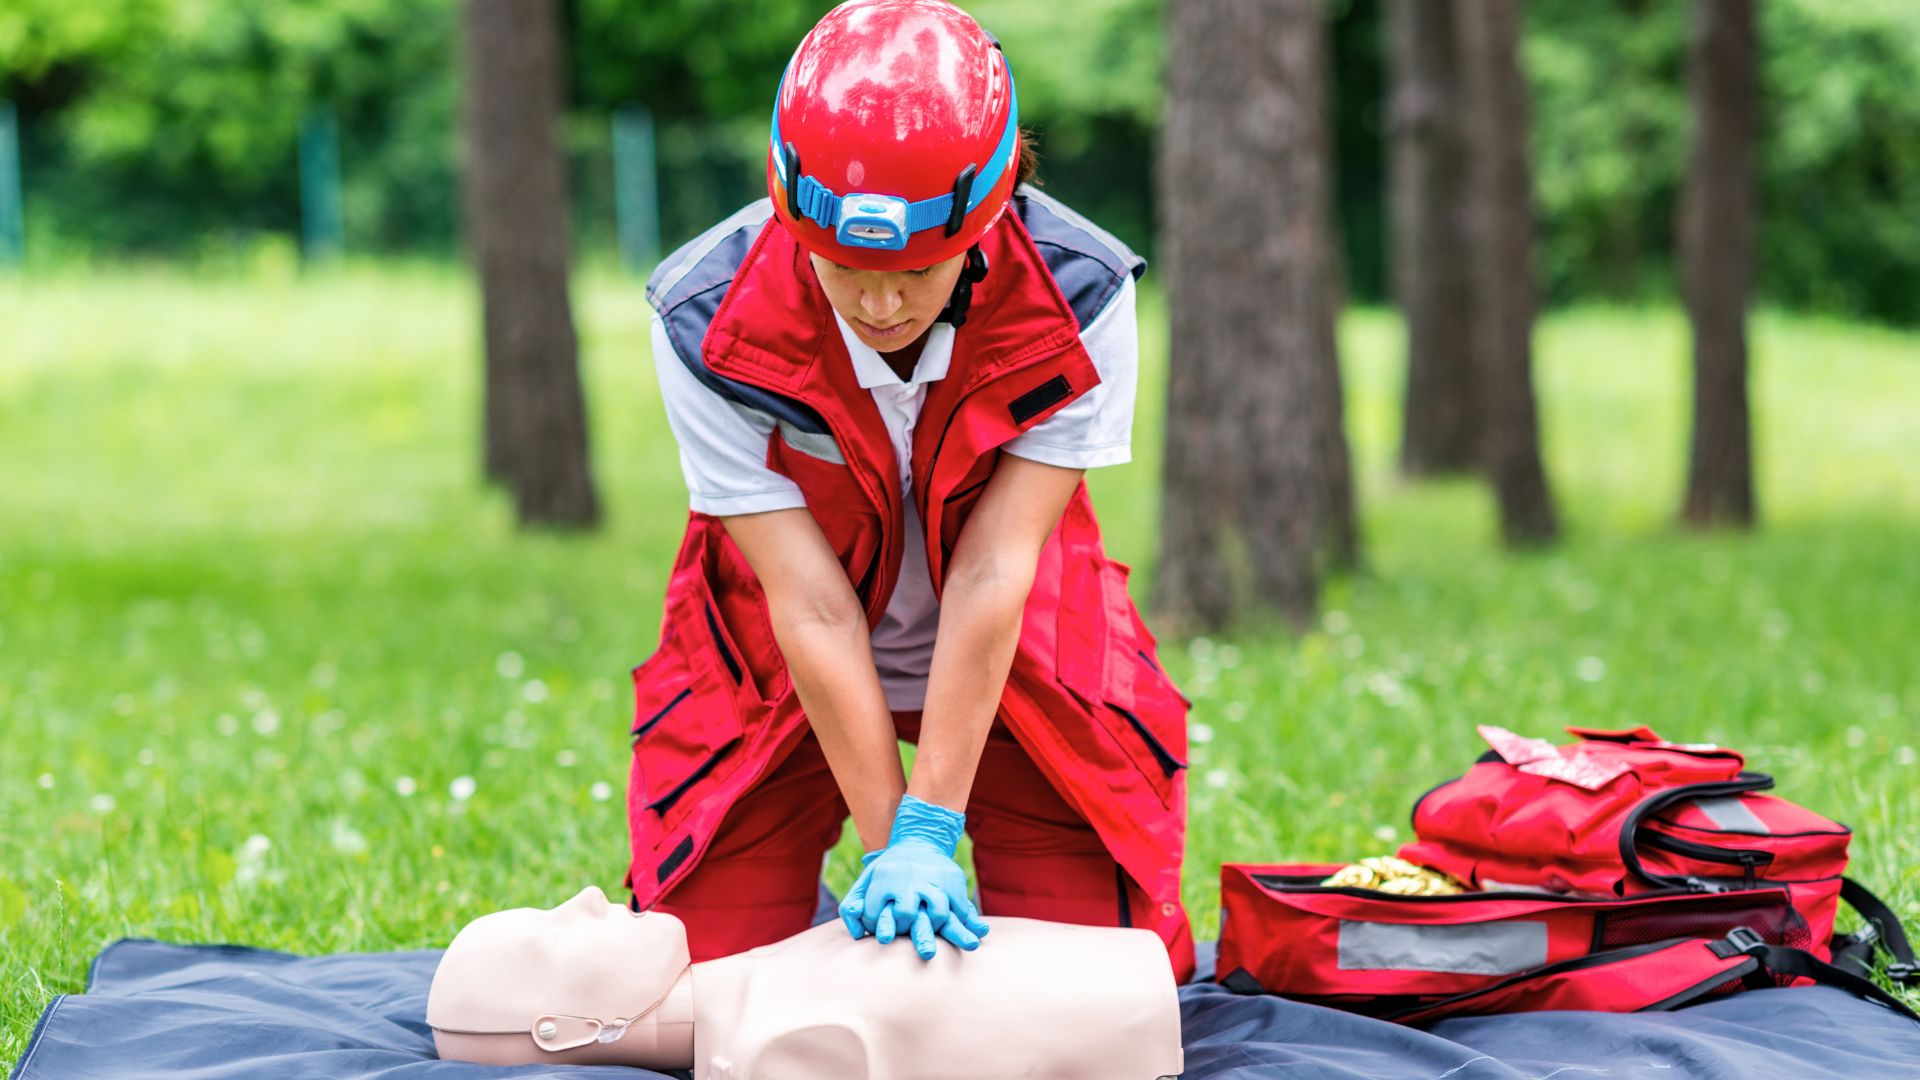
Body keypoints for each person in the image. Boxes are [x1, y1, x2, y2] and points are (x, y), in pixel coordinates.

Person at [626, 0, 1194, 982]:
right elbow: (808, 603)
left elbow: (995, 569)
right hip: (774, 668)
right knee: (697, 985)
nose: (881, 303)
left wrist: (930, 828)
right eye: (846, 268)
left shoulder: (1085, 294)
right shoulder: (701, 319)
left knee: (1102, 988)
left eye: (918, 270)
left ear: (989, 215)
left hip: (1021, 661)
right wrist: (892, 845)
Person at [426, 886, 1185, 1078]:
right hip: (1135, 1015)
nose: (587, 897)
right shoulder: (787, 1043)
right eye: (553, 933)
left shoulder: (757, 993)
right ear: (560, 1030)